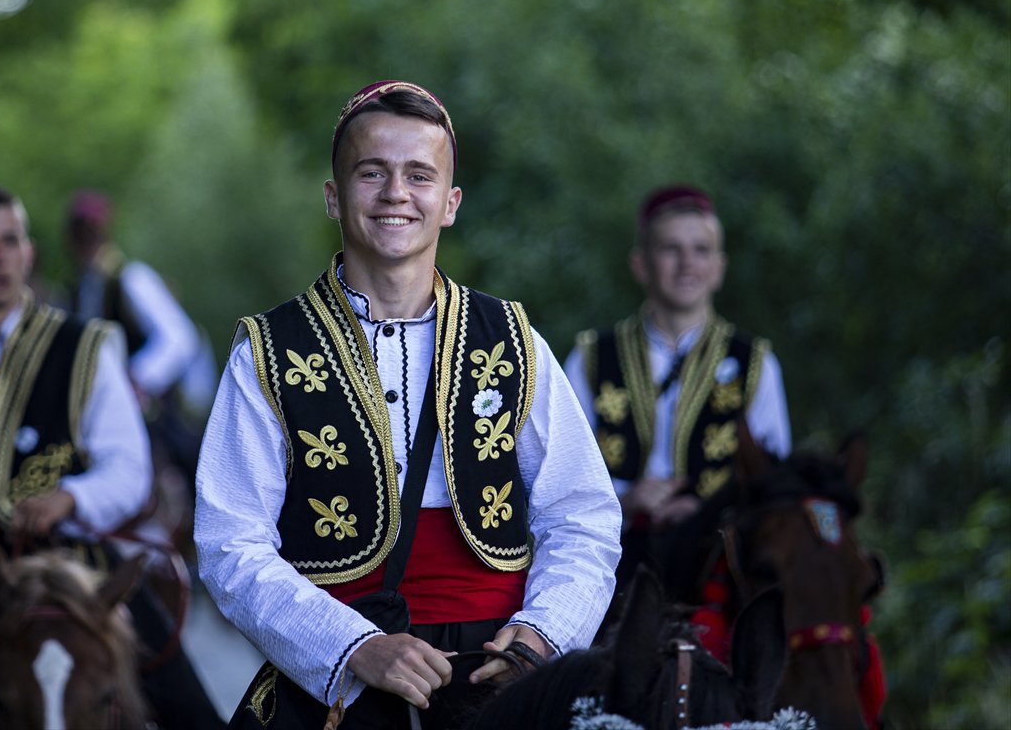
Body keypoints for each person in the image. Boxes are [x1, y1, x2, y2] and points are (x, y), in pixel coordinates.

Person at [194, 80, 621, 729]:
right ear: (334, 196)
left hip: (499, 679)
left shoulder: (512, 340)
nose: (397, 193)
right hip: (334, 683)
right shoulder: (267, 349)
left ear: (449, 203)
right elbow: (230, 545)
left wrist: (541, 637)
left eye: (419, 175)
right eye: (373, 173)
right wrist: (351, 647)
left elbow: (583, 517)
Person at [0, 185, 222, 729]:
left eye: (10, 241)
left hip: (72, 569)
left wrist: (71, 497)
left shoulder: (88, 346)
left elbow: (129, 470)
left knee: (193, 716)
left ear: (28, 251)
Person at [564, 184, 791, 625]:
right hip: (614, 555)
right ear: (641, 264)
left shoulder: (755, 363)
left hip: (718, 564)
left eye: (701, 250)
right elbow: (565, 471)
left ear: (720, 268)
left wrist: (705, 510)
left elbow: (773, 479)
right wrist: (626, 500)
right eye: (671, 249)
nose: (688, 264)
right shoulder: (592, 356)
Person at [63, 190, 206, 487]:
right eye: (80, 233)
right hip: (90, 412)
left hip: (145, 415)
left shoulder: (132, 279)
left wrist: (137, 378)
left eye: (91, 232)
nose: (86, 241)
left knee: (190, 473)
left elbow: (180, 337)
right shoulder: (75, 292)